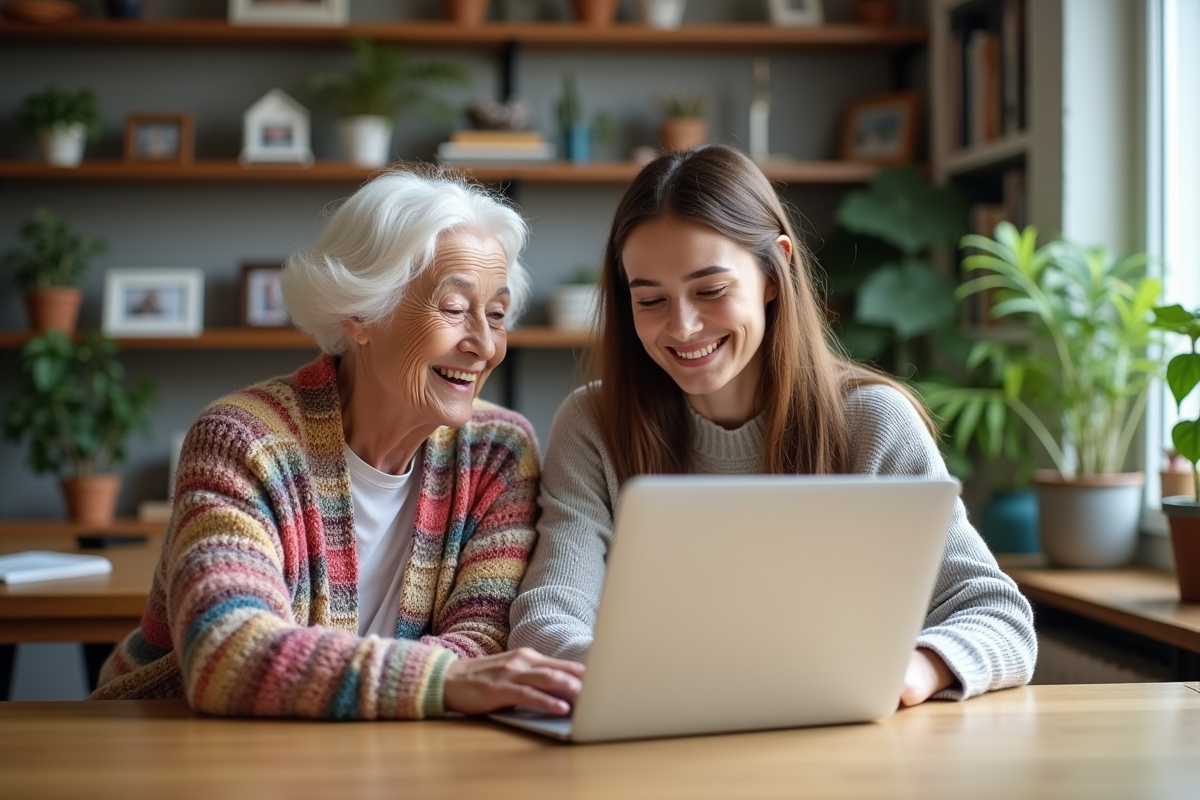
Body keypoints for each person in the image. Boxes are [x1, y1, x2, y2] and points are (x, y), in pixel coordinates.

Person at [508, 145, 1037, 707]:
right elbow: (546, 622)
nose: (682, 327)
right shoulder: (593, 424)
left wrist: (913, 671)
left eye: (710, 291)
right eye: (651, 300)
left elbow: (998, 616)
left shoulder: (872, 421)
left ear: (773, 270)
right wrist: (672, 681)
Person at [91, 170, 583, 719]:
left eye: (496, 314)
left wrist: (447, 680)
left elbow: (485, 640)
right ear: (360, 314)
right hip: (171, 745)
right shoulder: (243, 440)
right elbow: (227, 650)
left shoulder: (498, 451)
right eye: (452, 308)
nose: (485, 345)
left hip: (390, 754)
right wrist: (443, 678)